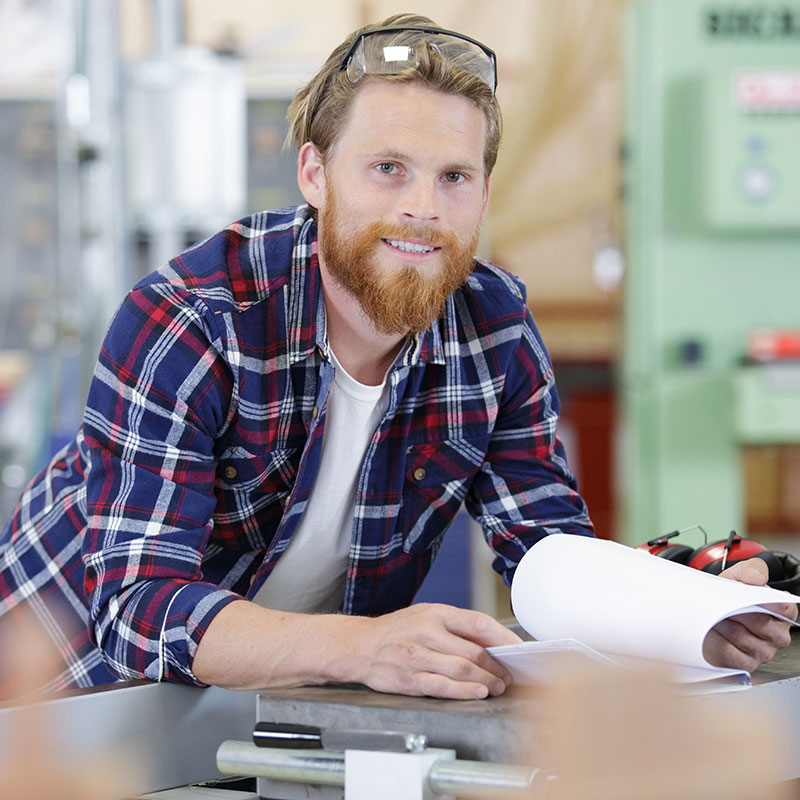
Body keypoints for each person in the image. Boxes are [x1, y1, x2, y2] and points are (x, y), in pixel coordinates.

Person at [0, 14, 794, 700]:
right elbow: (139, 608)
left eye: (455, 176)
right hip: (58, 699)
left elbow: (547, 548)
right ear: (315, 173)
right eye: (388, 169)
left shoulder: (496, 328)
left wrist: (682, 617)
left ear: (484, 194)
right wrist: (362, 647)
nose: (422, 207)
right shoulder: (191, 317)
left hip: (268, 700)